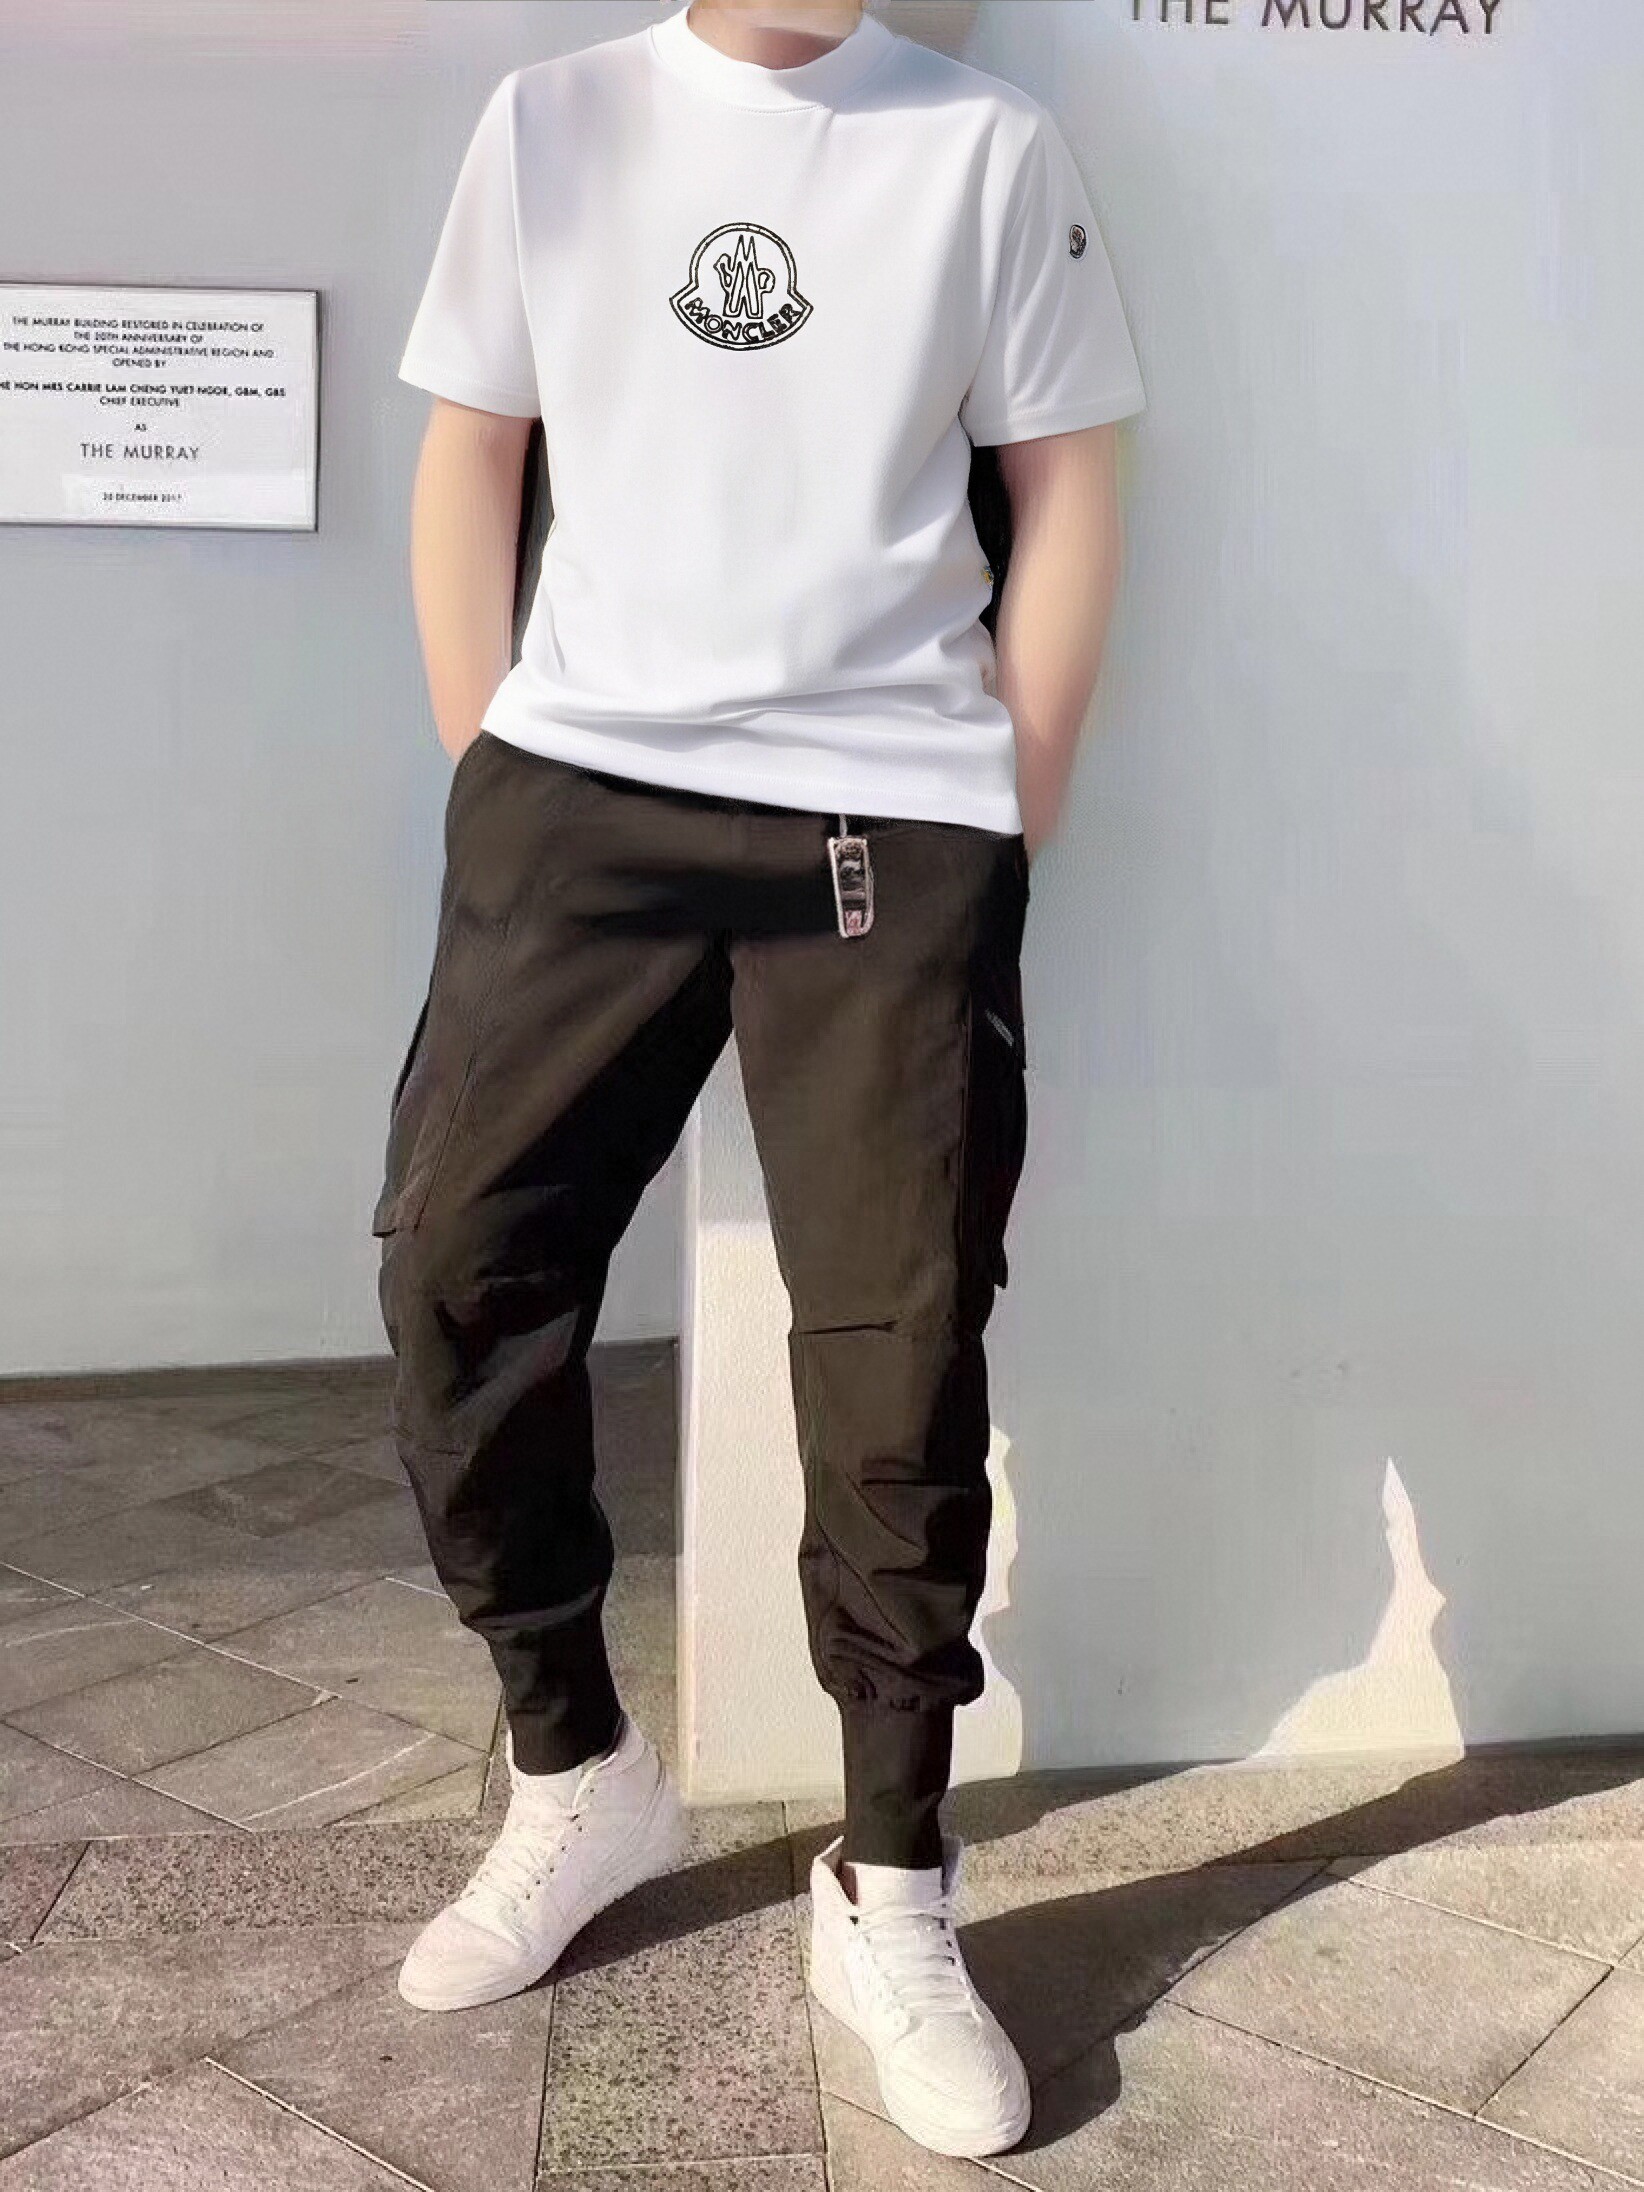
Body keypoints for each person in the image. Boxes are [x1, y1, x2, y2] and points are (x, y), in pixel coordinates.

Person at [373, 0, 1144, 2159]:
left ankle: (891, 1878)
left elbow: (1074, 475)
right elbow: (473, 445)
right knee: (454, 1269)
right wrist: (492, 773)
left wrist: (1006, 808)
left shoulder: (983, 145)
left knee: (901, 1345)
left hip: (887, 821)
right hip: (577, 799)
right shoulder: (556, 120)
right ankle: (576, 1773)